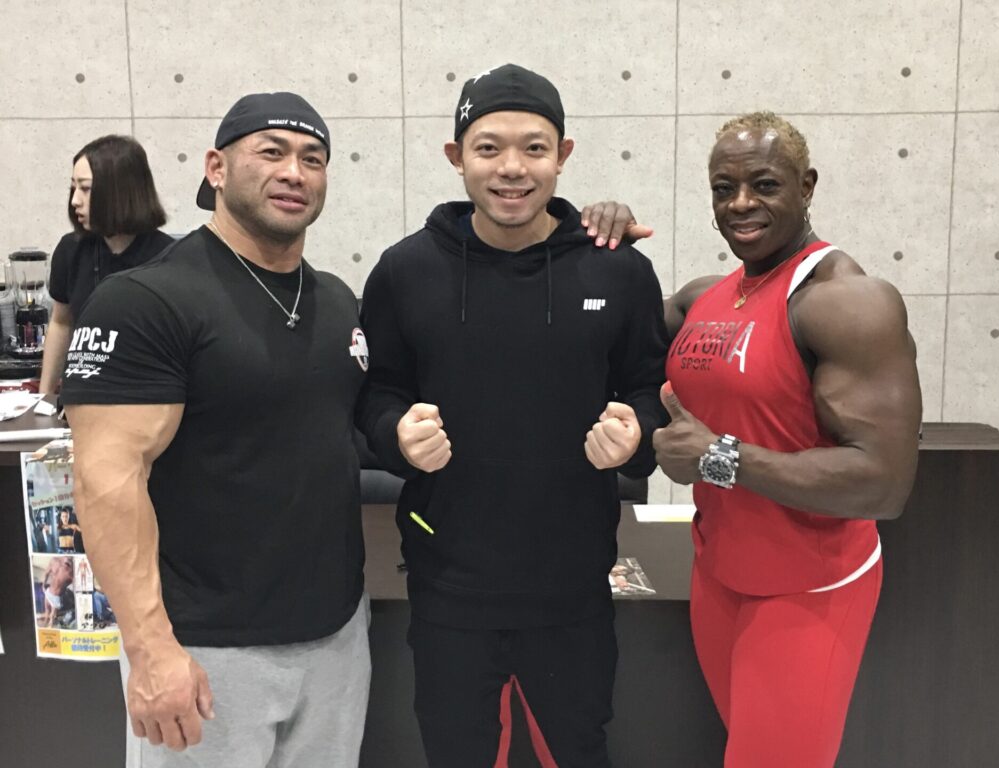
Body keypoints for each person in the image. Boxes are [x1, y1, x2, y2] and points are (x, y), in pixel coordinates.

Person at [357, 63, 669, 767]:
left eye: (534, 148)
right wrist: (395, 433)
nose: (512, 168)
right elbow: (374, 394)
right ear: (456, 157)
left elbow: (652, 389)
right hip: (449, 584)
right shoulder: (405, 271)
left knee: (576, 751)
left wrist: (637, 435)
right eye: (488, 147)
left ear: (563, 155)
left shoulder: (618, 270)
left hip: (573, 584)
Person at [61, 92, 371, 768]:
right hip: (203, 651)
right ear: (217, 168)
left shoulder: (336, 301)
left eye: (312, 159)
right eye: (272, 152)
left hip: (335, 638)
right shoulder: (144, 301)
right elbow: (105, 483)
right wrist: (150, 650)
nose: (294, 172)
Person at [655, 111, 922, 767]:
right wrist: (590, 233)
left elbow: (883, 484)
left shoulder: (848, 301)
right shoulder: (705, 298)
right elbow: (607, 331)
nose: (740, 204)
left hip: (810, 586)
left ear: (807, 186)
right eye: (724, 189)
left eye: (765, 184)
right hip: (718, 573)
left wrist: (717, 458)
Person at [40, 135, 173, 394]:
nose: (75, 200)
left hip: (146, 396)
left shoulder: (169, 258)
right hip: (82, 394)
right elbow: (61, 323)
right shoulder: (71, 249)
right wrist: (43, 397)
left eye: (86, 188)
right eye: (73, 188)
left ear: (120, 192)